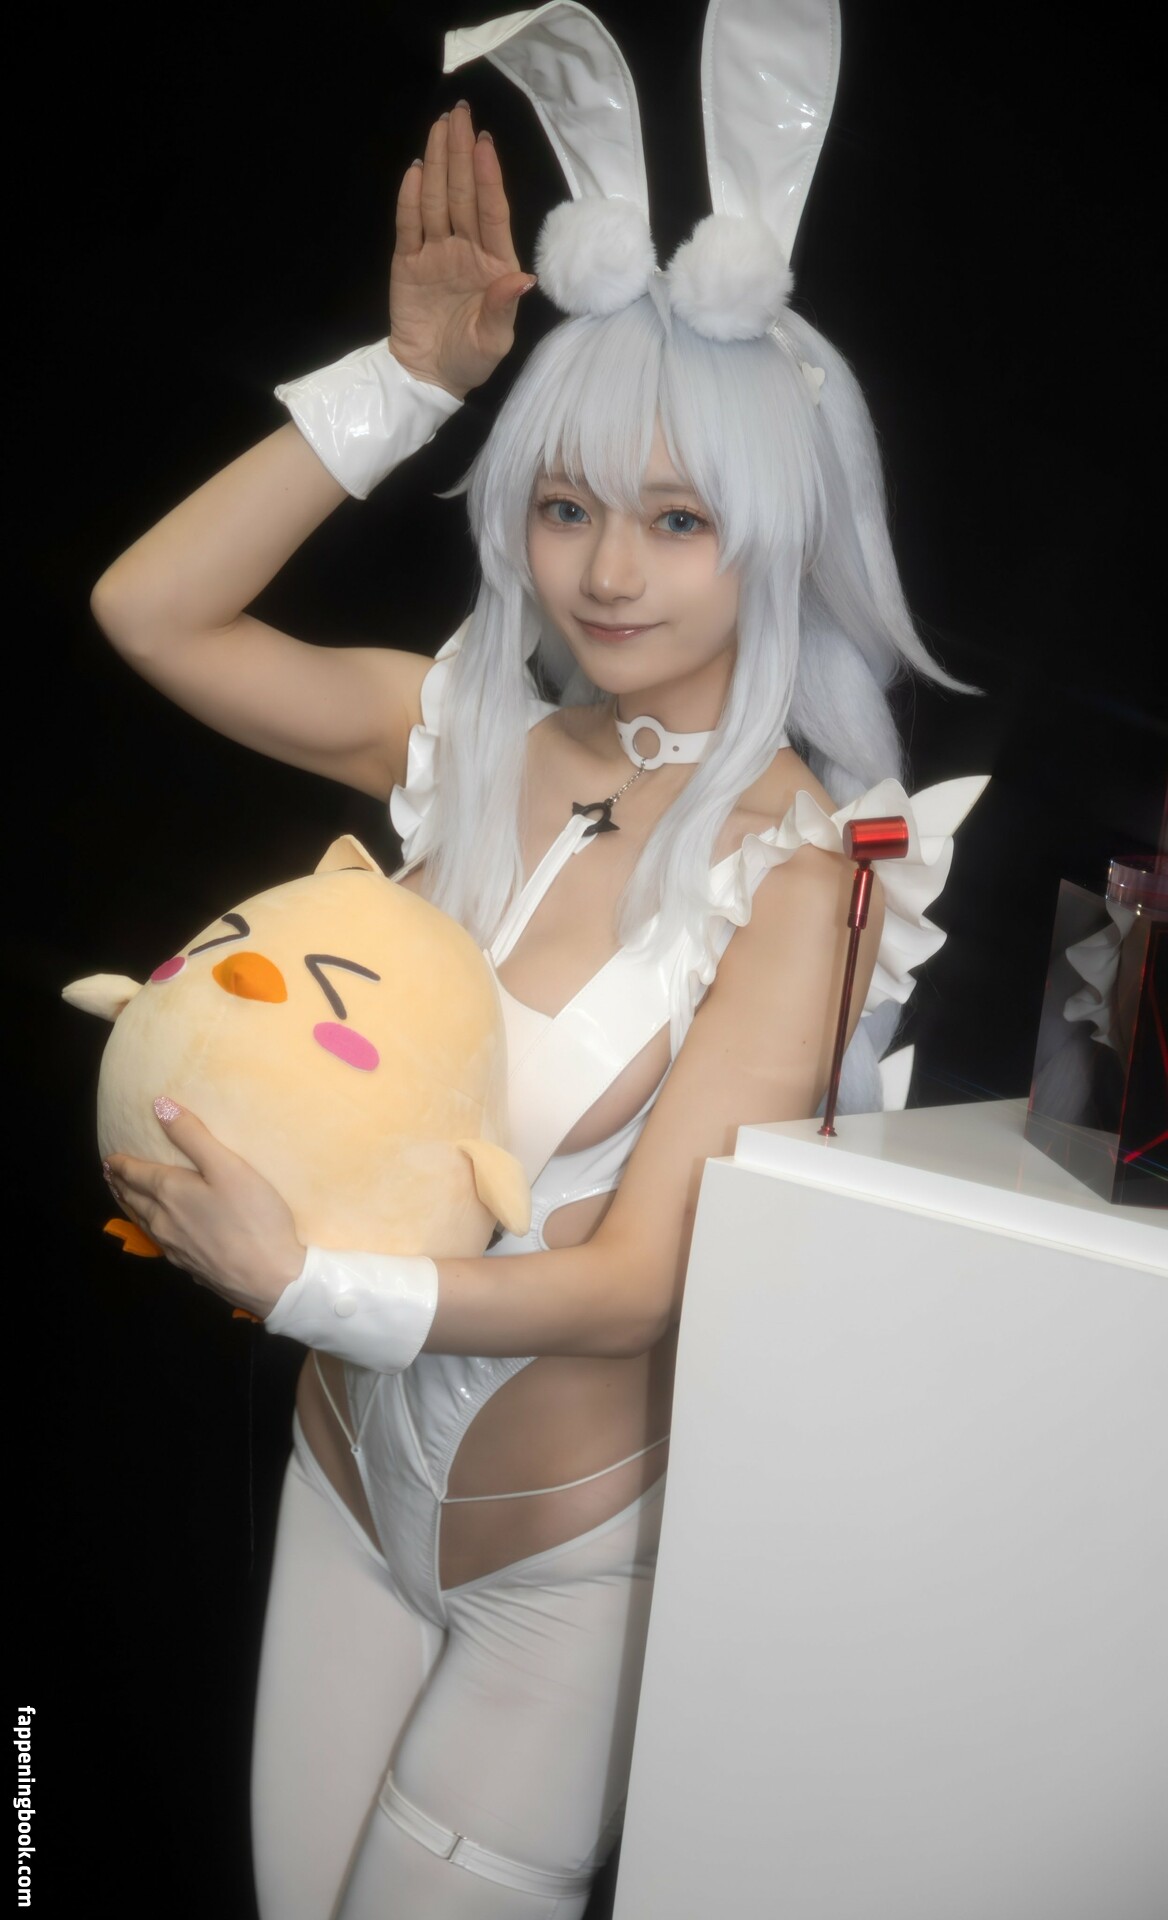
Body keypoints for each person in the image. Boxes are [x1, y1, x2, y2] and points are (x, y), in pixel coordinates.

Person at [94, 28, 979, 1917]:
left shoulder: (808, 874)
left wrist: (306, 1282)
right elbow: (147, 612)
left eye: (679, 519)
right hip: (344, 1485)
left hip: (564, 1569)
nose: (609, 572)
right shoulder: (462, 727)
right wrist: (408, 383)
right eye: (568, 506)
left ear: (778, 532)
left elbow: (641, 1279)